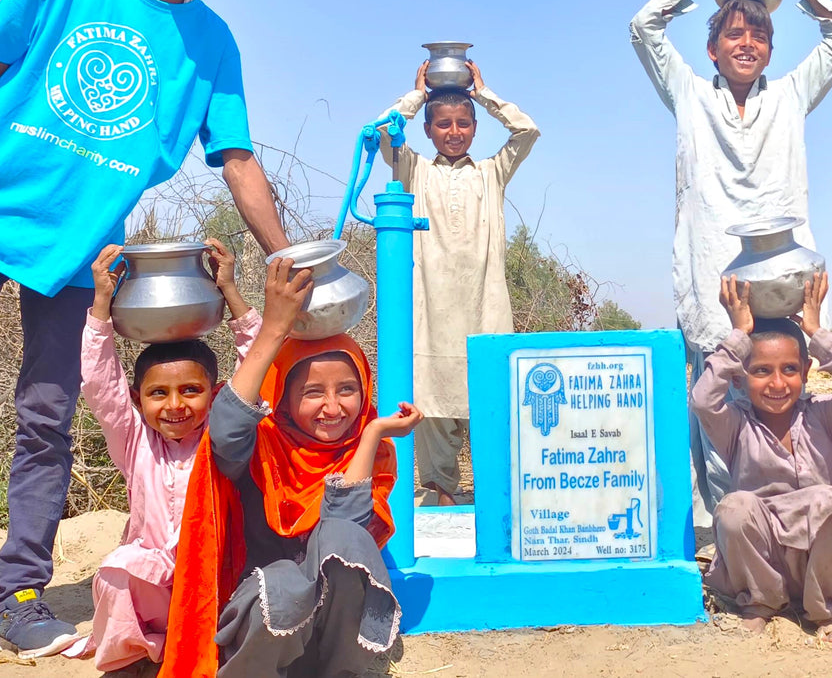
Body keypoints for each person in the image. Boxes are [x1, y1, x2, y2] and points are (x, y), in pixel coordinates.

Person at [0, 0, 289, 657]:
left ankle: (18, 594)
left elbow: (235, 158)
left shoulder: (211, 42)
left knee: (48, 415)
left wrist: (289, 260)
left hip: (77, 250)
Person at [629, 0, 832, 525]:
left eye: (757, 37)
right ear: (711, 49)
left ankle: (790, 523)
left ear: (771, 48)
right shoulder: (687, 94)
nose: (746, 45)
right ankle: (722, 539)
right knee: (718, 408)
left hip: (784, 278)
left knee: (783, 398)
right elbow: (643, 28)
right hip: (712, 277)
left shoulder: (789, 95)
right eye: (733, 35)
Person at [159, 257, 423, 677]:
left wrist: (373, 432)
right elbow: (225, 432)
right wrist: (274, 329)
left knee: (345, 537)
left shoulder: (367, 449)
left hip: (330, 645)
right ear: (281, 395)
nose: (333, 408)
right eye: (313, 392)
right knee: (282, 581)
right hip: (265, 630)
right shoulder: (262, 443)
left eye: (348, 390)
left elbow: (346, 522)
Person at [70, 239, 257, 675]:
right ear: (138, 399)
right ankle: (137, 655)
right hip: (157, 587)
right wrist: (101, 301)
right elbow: (101, 384)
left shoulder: (221, 436)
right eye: (158, 393)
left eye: (191, 390)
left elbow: (257, 367)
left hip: (214, 577)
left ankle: (196, 645)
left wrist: (228, 291)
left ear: (217, 392)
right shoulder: (135, 441)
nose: (175, 405)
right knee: (118, 569)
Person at [377, 59, 539, 505]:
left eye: (463, 123)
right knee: (431, 411)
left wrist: (484, 94)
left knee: (492, 415)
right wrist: (416, 98)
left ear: (474, 127)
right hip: (431, 321)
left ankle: (493, 507)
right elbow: (379, 132)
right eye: (443, 124)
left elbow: (526, 132)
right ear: (428, 130)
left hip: (485, 316)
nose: (454, 132)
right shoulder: (414, 171)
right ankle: (442, 497)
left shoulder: (491, 173)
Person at [692, 274, 832, 637]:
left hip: (820, 564)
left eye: (789, 370)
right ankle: (761, 604)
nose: (777, 384)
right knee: (734, 508)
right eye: (761, 371)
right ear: (738, 379)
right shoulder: (735, 425)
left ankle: (829, 612)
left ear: (806, 372)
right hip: (764, 562)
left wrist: (816, 332)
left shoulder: (824, 417)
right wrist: (737, 336)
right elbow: (703, 400)